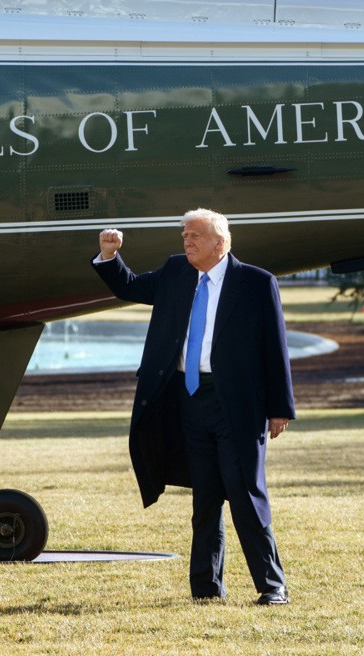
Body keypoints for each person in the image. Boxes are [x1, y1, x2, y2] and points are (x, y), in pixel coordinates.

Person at [91, 208, 294, 605]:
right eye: (184, 235)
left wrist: (280, 407)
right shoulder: (176, 271)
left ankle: (273, 587)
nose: (187, 241)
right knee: (205, 499)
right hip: (188, 400)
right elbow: (130, 287)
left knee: (245, 495)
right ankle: (206, 588)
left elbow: (276, 347)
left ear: (220, 242)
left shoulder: (256, 282)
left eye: (195, 235)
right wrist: (110, 256)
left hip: (236, 405)